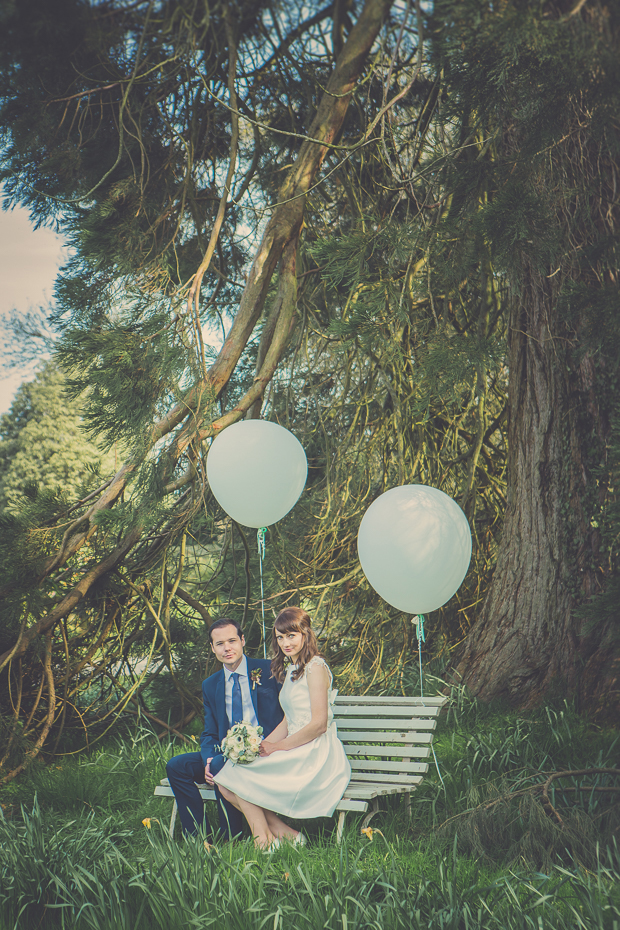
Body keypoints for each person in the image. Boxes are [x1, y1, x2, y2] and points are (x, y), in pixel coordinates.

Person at [214, 607, 351, 848]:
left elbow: (318, 724)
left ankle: (263, 840)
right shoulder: (291, 669)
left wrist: (279, 747)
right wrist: (263, 744)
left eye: (291, 635)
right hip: (295, 745)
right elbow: (289, 720)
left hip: (316, 751)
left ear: (305, 634)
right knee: (226, 779)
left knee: (238, 776)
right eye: (280, 637)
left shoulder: (315, 667)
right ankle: (286, 835)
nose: (285, 642)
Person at [166, 617, 284, 839]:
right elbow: (210, 732)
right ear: (212, 648)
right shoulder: (211, 685)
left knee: (222, 764)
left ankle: (232, 835)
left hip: (266, 752)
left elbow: (289, 714)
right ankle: (198, 838)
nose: (227, 648)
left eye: (232, 640)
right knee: (177, 766)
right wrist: (208, 759)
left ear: (242, 640)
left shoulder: (269, 670)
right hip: (226, 753)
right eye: (219, 643)